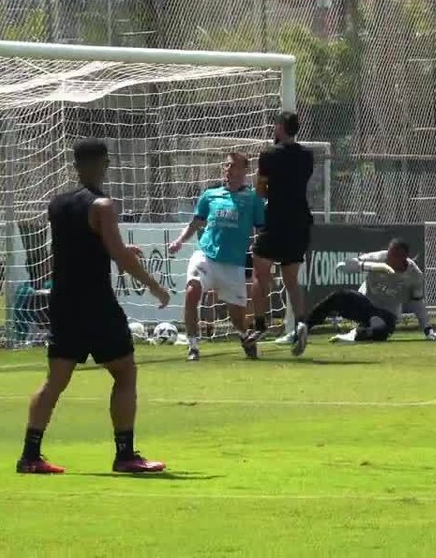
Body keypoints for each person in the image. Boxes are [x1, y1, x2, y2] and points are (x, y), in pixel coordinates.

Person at [17, 138, 169, 476]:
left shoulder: (57, 204)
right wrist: (155, 286)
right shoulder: (102, 205)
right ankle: (125, 453)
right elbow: (119, 257)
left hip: (63, 302)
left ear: (75, 164)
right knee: (125, 371)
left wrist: (116, 244)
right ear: (104, 163)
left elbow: (81, 244)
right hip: (95, 302)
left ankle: (30, 455)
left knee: (54, 381)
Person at [169, 152, 265, 362]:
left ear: (244, 171)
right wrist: (179, 241)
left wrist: (263, 256)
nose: (229, 170)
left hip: (233, 265)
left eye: (234, 166)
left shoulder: (253, 199)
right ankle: (193, 346)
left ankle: (244, 337)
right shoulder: (210, 195)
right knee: (192, 292)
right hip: (206, 256)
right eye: (227, 166)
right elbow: (196, 222)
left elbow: (261, 229)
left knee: (237, 318)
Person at [249, 111, 316, 356]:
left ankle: (259, 323)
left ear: (279, 127)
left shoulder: (268, 155)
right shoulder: (307, 156)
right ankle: (300, 321)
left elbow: (260, 189)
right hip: (299, 222)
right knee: (291, 280)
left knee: (260, 273)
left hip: (276, 220)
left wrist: (271, 195)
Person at [305, 239, 436, 344]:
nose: (389, 259)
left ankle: (356, 335)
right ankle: (303, 328)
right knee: (339, 296)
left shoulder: (414, 275)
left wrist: (429, 331)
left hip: (387, 314)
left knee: (381, 331)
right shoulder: (378, 258)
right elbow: (341, 266)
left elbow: (417, 303)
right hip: (365, 305)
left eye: (395, 257)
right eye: (389, 255)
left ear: (404, 258)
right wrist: (373, 267)